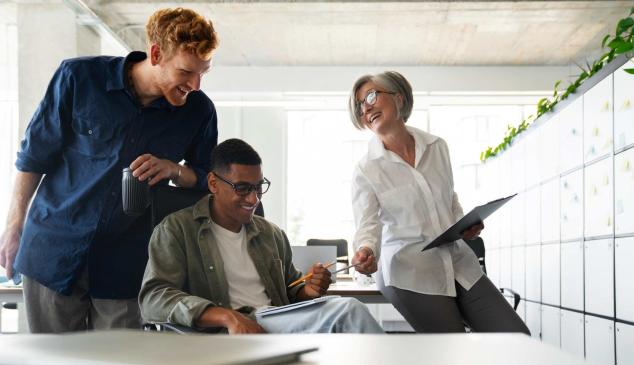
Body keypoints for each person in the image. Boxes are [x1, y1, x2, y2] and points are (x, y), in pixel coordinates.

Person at [0, 8, 219, 333]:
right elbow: (34, 156)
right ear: (156, 54)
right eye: (186, 71)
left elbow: (209, 180)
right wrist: (13, 226)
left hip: (128, 264)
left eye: (203, 72)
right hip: (53, 249)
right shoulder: (78, 78)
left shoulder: (198, 112)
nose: (196, 84)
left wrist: (174, 170)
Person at [348, 71, 530, 334]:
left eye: (372, 96)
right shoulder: (366, 170)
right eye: (360, 105)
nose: (366, 107)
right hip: (409, 271)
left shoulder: (437, 147)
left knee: (517, 338)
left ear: (398, 98)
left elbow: (450, 199)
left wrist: (464, 225)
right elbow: (368, 225)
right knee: (452, 350)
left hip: (457, 260)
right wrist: (366, 251)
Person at [139, 139, 383, 334]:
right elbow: (154, 298)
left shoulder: (270, 234)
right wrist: (228, 317)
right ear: (213, 183)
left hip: (273, 322)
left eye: (258, 187)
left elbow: (291, 292)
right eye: (242, 188)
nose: (254, 199)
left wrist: (310, 290)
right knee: (348, 310)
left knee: (345, 315)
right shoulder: (176, 230)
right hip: (227, 332)